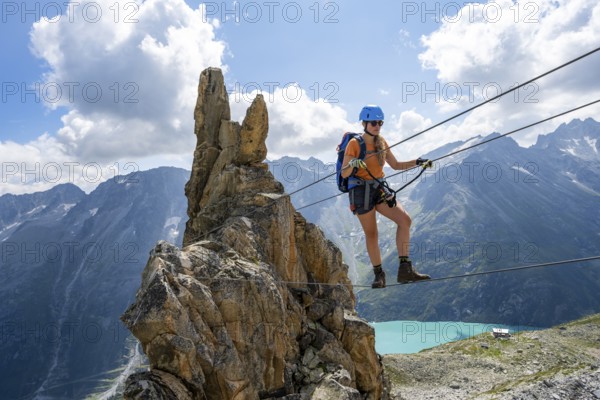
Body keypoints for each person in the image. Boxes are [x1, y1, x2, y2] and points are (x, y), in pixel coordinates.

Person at [341, 105, 432, 288]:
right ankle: (379, 275)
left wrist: (417, 162)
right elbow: (344, 173)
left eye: (380, 123)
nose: (377, 126)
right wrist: (353, 164)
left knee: (404, 220)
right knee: (372, 233)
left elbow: (396, 165)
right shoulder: (354, 144)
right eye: (374, 122)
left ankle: (405, 270)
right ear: (365, 123)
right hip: (361, 191)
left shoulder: (381, 142)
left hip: (379, 188)